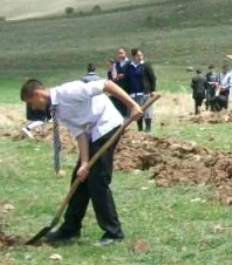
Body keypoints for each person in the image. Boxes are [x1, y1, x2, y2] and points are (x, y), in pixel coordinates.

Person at [20, 76, 143, 246]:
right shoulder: (57, 110)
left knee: (98, 180)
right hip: (92, 133)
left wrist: (133, 105)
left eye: (30, 102)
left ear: (37, 94)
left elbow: (107, 84)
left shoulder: (68, 92)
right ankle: (70, 230)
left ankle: (114, 233)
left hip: (107, 124)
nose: (32, 107)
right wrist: (84, 163)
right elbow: (80, 133)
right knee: (80, 179)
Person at [125, 48, 157, 132]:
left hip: (145, 93)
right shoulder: (129, 67)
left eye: (141, 55)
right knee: (138, 111)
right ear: (133, 56)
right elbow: (127, 79)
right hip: (134, 93)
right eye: (138, 55)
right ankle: (140, 129)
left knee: (147, 111)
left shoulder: (146, 65)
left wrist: (153, 90)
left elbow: (152, 78)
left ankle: (148, 129)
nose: (140, 57)